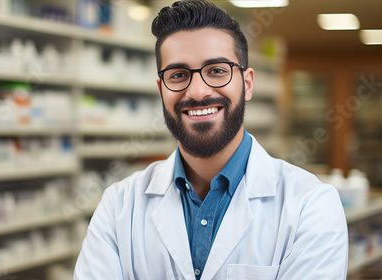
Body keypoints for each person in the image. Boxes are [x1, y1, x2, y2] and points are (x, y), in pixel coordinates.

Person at [74, 0, 348, 279]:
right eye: (178, 75)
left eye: (217, 70)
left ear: (248, 83)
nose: (198, 91)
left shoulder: (310, 206)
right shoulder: (119, 205)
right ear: (161, 90)